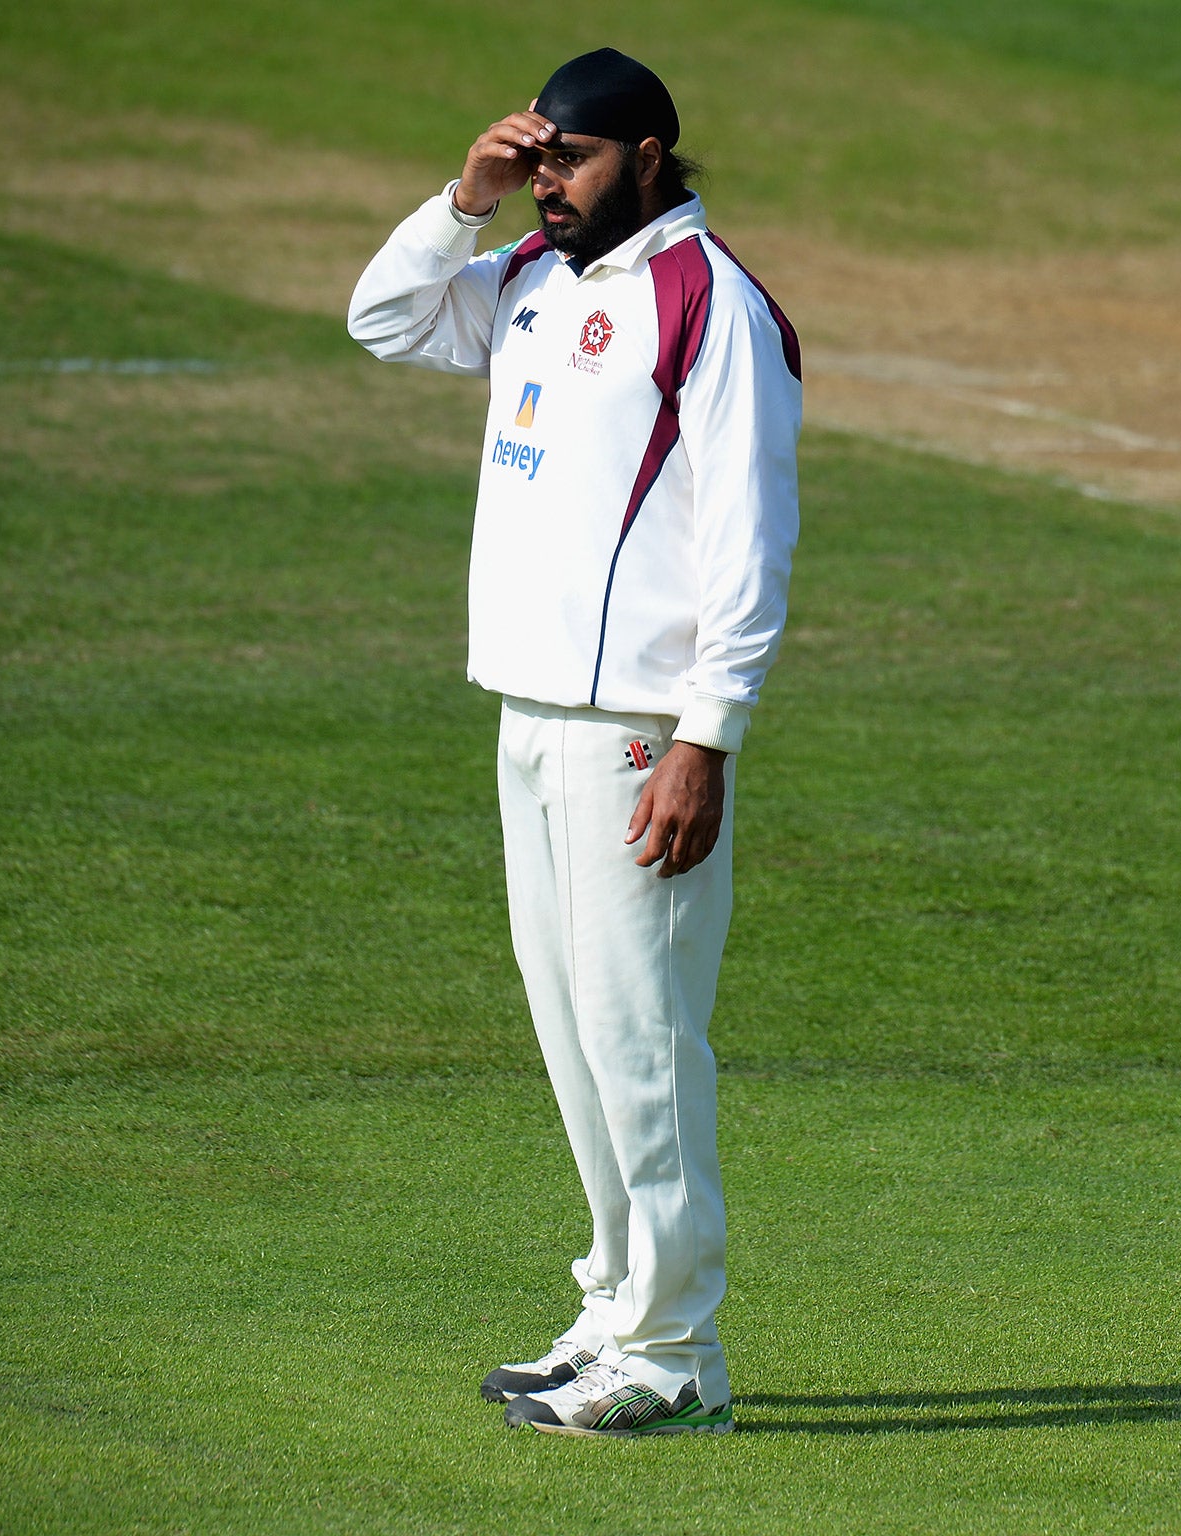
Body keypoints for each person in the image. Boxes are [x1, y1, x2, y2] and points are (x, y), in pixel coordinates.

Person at [347, 47, 801, 1437]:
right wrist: (463, 200)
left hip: (635, 736)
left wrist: (705, 736)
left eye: (572, 160)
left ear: (650, 157)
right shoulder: (537, 279)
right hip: (530, 714)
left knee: (642, 1042)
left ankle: (673, 1358)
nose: (549, 182)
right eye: (537, 159)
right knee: (577, 1040)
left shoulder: (708, 302)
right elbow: (384, 320)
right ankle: (615, 1311)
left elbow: (750, 536)